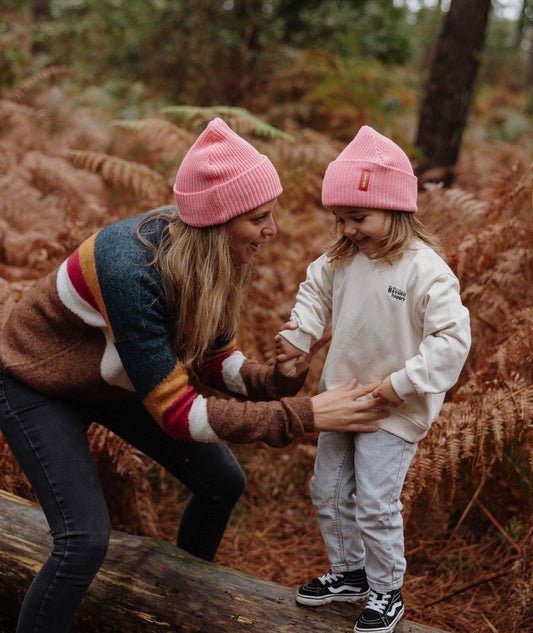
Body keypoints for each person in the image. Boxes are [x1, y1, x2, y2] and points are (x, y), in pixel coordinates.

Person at [0, 118, 389, 633]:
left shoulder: (222, 253)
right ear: (218, 220)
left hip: (115, 377)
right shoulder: (129, 269)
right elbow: (180, 416)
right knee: (83, 541)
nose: (271, 230)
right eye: (259, 218)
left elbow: (212, 357)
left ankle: (174, 609)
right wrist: (305, 414)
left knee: (221, 482)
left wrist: (275, 381)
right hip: (35, 382)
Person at [275, 125, 471, 633]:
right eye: (339, 218)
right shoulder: (340, 260)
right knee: (329, 488)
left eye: (357, 217)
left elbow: (451, 343)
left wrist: (398, 385)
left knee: (376, 501)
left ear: (395, 209)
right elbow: (313, 295)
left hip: (394, 408)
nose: (346, 229)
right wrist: (299, 336)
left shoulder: (426, 271)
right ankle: (350, 573)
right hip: (343, 396)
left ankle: (388, 592)